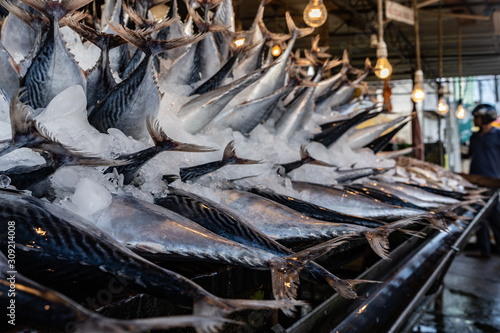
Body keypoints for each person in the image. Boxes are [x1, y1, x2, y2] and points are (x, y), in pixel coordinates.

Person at [468, 103, 500, 258]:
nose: (475, 120)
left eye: (477, 117)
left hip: (491, 182)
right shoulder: (474, 137)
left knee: (495, 217)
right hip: (475, 182)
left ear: (487, 118)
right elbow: (470, 156)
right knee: (479, 219)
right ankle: (484, 250)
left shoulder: (497, 135)